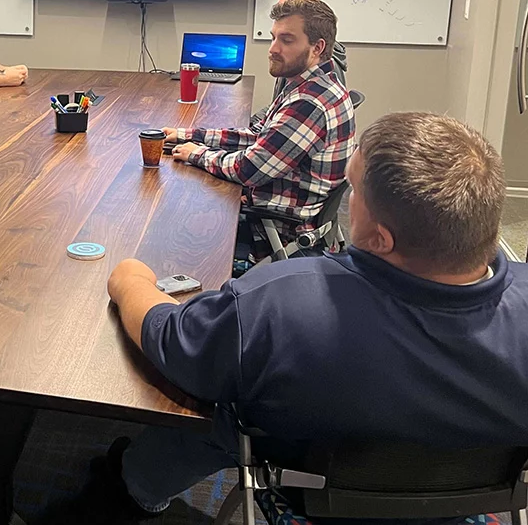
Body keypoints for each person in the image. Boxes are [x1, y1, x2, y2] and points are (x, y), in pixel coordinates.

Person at [85, 112, 528, 523]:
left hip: (312, 492)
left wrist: (130, 281)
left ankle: (134, 488)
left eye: (353, 190)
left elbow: (172, 341)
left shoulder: (283, 304)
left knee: (220, 405)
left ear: (380, 238)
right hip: (471, 499)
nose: (348, 200)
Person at [166, 0, 355, 252]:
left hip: (277, 231)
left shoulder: (310, 102)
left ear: (317, 47)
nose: (273, 48)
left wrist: (196, 154)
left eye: (286, 40)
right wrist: (188, 134)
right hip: (274, 207)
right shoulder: (308, 85)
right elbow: (258, 136)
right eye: (273, 37)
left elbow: (248, 169)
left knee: (177, 213)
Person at [272, 0, 347, 97]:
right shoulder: (294, 61)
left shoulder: (322, 75)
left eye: (287, 40)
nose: (273, 49)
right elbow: (280, 102)